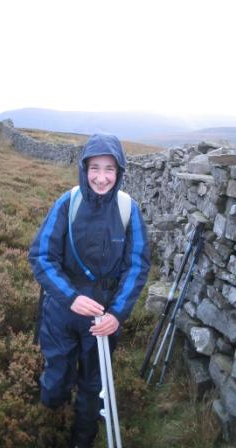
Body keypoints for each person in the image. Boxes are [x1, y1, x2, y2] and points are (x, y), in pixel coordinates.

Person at [28, 133, 150, 448]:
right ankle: (49, 425)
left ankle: (81, 440)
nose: (101, 177)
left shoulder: (128, 209)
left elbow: (136, 266)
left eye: (110, 169)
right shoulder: (67, 202)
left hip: (104, 316)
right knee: (56, 378)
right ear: (84, 168)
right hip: (62, 311)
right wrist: (71, 297)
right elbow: (42, 256)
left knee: (93, 385)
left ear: (120, 171)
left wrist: (117, 314)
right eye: (94, 167)